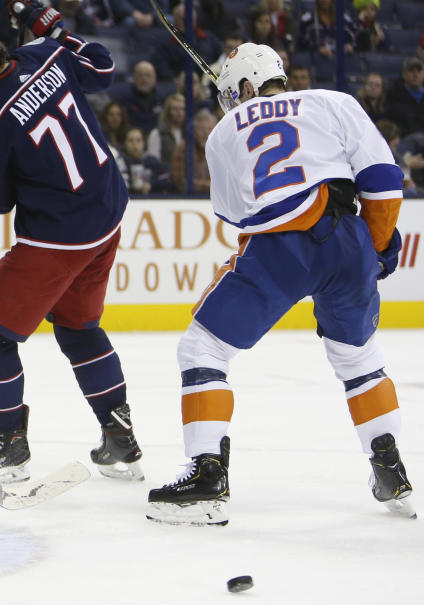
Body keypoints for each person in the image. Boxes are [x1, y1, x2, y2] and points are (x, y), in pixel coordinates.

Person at [146, 43, 413, 526]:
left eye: (234, 95)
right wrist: (373, 246)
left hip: (280, 245)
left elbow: (235, 214)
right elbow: (383, 178)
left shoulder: (225, 131)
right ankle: (389, 465)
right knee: (359, 359)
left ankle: (208, 475)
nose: (231, 105)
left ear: (246, 87)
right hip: (347, 239)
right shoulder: (334, 101)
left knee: (202, 350)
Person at [0, 8, 143, 484]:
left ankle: (9, 445)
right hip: (108, 211)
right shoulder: (46, 53)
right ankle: (120, 437)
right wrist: (55, 29)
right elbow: (103, 69)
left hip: (59, 236)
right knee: (78, 327)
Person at [169, 108, 216, 193]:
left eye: (209, 129)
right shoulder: (183, 149)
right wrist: (209, 186)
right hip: (188, 200)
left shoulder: (219, 151)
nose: (206, 133)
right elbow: (180, 182)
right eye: (202, 129)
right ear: (194, 131)